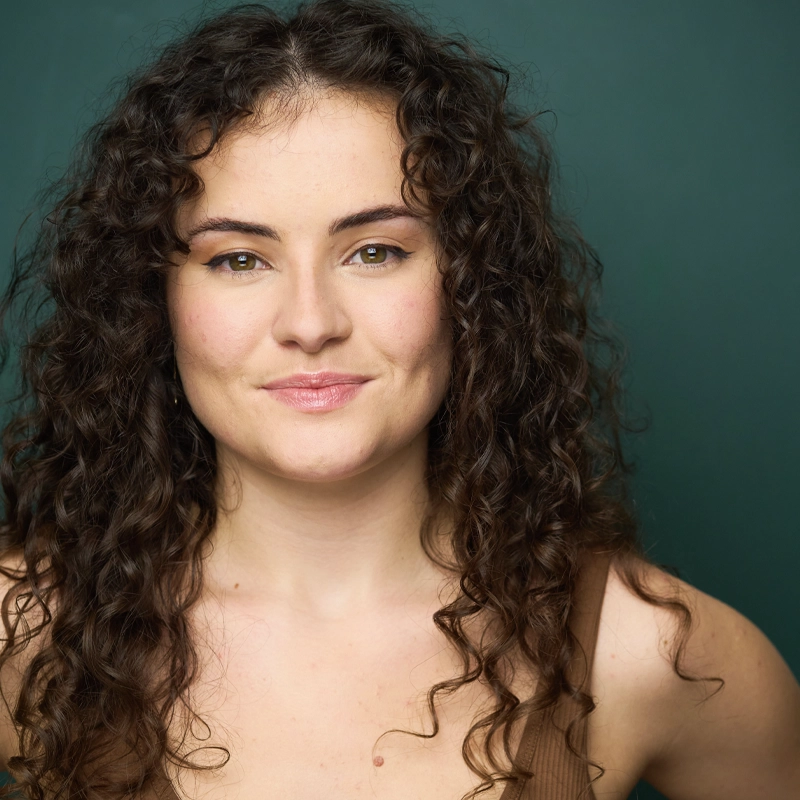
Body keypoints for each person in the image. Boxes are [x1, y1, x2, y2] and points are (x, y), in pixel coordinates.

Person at [0, 0, 798, 798]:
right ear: (152, 299)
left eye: (375, 251)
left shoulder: (647, 651)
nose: (310, 323)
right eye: (239, 259)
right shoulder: (24, 631)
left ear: (471, 284)